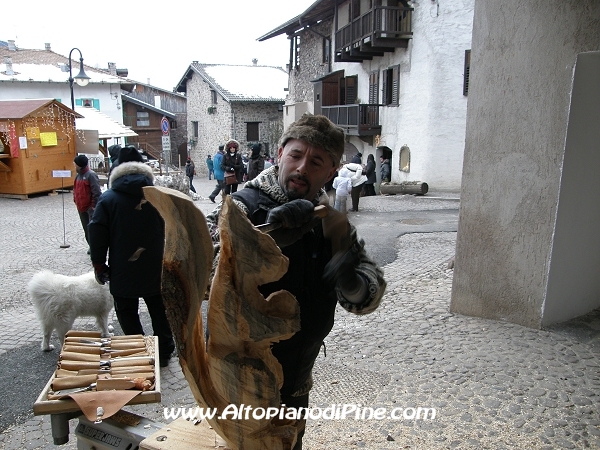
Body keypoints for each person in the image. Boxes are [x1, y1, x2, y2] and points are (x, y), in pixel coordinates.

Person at [205, 114, 386, 450]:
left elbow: (367, 294)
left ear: (331, 172)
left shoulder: (331, 223)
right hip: (237, 372)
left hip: (296, 377)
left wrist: (348, 276)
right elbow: (205, 278)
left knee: (288, 445)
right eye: (296, 155)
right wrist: (268, 240)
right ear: (279, 154)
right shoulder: (239, 208)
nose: (303, 168)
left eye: (316, 161)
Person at [88, 145, 175, 367]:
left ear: (117, 170)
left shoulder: (108, 199)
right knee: (160, 311)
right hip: (157, 266)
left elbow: (96, 231)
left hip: (123, 267)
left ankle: (138, 352)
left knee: (127, 312)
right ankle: (164, 353)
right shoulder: (160, 197)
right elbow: (176, 227)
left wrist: (99, 264)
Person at [73, 154, 101, 253]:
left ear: (79, 165)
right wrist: (75, 200)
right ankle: (91, 245)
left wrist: (93, 206)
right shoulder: (78, 176)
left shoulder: (91, 175)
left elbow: (96, 191)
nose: (74, 165)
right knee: (86, 229)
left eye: (75, 164)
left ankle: (96, 247)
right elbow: (75, 189)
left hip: (90, 207)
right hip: (81, 207)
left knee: (92, 229)